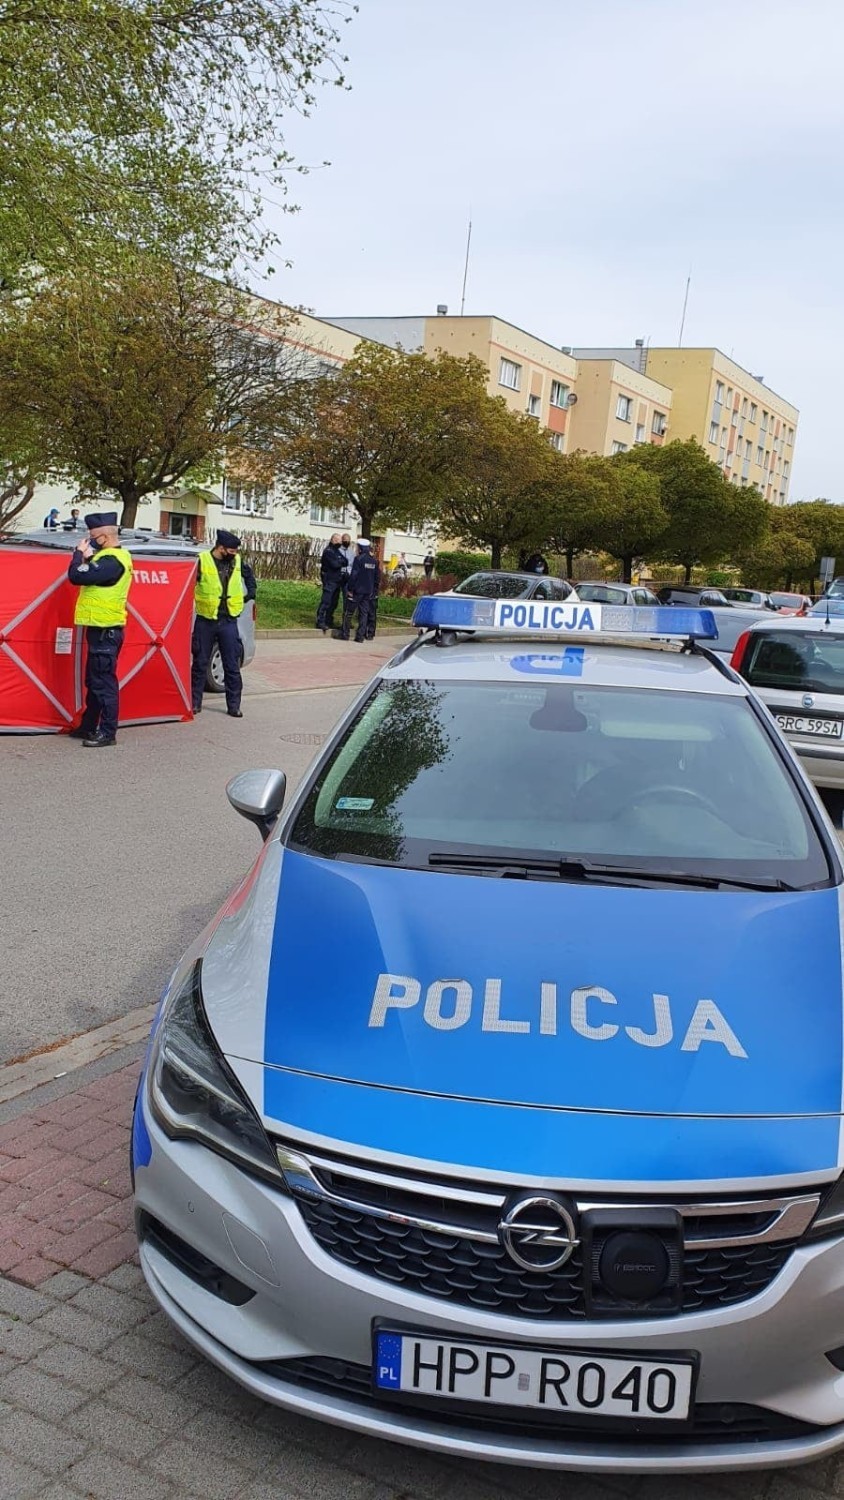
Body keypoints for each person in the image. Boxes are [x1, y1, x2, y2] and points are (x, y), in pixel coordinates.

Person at [66, 512, 134, 747]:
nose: (89, 540)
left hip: (107, 631)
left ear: (104, 537)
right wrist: (88, 557)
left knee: (104, 684)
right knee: (94, 682)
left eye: (92, 536)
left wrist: (78, 555)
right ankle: (88, 727)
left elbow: (76, 576)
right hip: (99, 630)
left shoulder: (113, 561)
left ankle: (107, 732)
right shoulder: (105, 558)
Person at [191, 530, 255, 718]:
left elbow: (249, 577)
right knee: (200, 663)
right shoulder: (202, 561)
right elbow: (188, 584)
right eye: (231, 550)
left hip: (229, 620)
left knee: (231, 665)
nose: (234, 553)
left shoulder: (235, 561)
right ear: (220, 548)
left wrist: (250, 593)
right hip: (206, 620)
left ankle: (234, 705)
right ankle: (195, 703)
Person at [338, 539, 380, 642]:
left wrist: (350, 589)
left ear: (360, 548)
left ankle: (345, 634)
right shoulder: (374, 561)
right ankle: (360, 637)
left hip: (357, 591)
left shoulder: (358, 559)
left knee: (349, 613)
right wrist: (374, 590)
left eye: (357, 547)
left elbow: (354, 575)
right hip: (368, 592)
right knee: (364, 614)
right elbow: (377, 577)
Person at [316, 533, 348, 634]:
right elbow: (334, 565)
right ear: (333, 540)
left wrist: (339, 561)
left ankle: (329, 620)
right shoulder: (328, 551)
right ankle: (320, 621)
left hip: (337, 580)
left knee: (334, 602)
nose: (340, 543)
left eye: (340, 541)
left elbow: (345, 561)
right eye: (338, 541)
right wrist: (339, 562)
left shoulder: (336, 551)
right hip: (329, 580)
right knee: (326, 601)